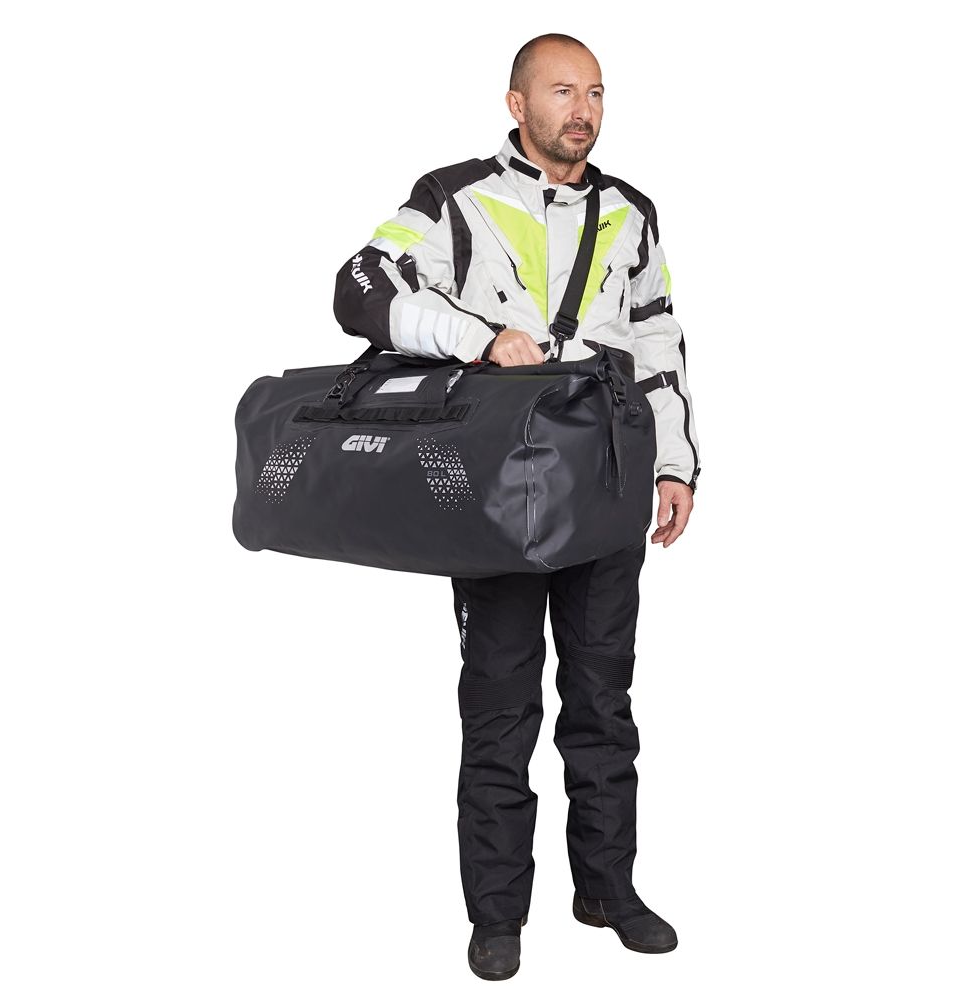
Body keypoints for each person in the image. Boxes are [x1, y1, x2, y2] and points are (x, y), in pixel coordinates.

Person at [332, 33, 701, 981]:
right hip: (498, 496)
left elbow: (658, 339)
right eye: (562, 91)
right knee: (500, 706)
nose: (583, 110)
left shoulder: (631, 212)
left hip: (609, 485)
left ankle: (607, 889)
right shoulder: (454, 197)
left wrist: (676, 465)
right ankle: (497, 915)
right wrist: (475, 337)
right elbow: (360, 286)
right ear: (517, 103)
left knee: (603, 702)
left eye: (596, 93)